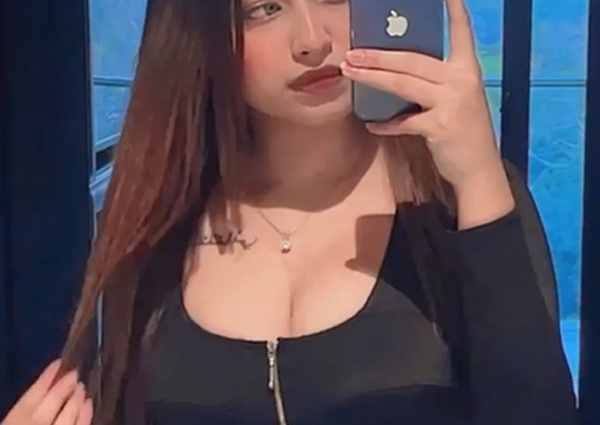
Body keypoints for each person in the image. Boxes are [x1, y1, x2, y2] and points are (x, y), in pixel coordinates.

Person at [2, 0, 578, 424]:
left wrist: (478, 175)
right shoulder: (159, 220)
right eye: (264, 9)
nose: (311, 40)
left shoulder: (458, 200)